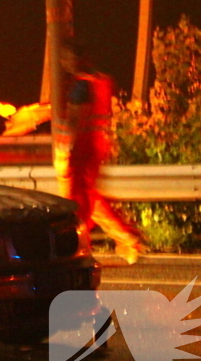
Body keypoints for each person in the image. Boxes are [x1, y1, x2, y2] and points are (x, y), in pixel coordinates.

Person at [60, 39, 144, 264]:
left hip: (84, 145)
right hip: (100, 142)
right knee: (90, 197)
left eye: (66, 58)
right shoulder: (101, 81)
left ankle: (77, 245)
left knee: (78, 199)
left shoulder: (80, 85)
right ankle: (127, 237)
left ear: (75, 59)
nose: (64, 63)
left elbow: (76, 120)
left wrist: (68, 146)